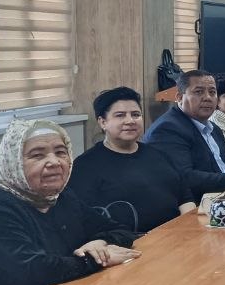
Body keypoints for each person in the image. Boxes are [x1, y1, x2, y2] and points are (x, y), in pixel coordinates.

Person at [0, 119, 140, 285]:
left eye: (61, 152)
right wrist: (93, 260)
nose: (54, 162)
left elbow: (119, 229)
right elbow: (31, 274)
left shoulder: (60, 196)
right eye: (37, 155)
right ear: (13, 163)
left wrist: (99, 244)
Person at [70, 87, 197, 232]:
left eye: (136, 115)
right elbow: (85, 219)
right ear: (102, 122)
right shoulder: (85, 166)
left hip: (179, 233)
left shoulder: (158, 154)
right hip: (129, 242)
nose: (130, 121)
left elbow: (185, 197)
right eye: (120, 115)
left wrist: (187, 227)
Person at [144, 70, 225, 202]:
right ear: (179, 97)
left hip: (221, 200)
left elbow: (223, 166)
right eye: (199, 92)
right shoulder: (168, 129)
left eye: (212, 92)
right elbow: (185, 177)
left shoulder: (213, 128)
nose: (208, 97)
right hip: (191, 207)